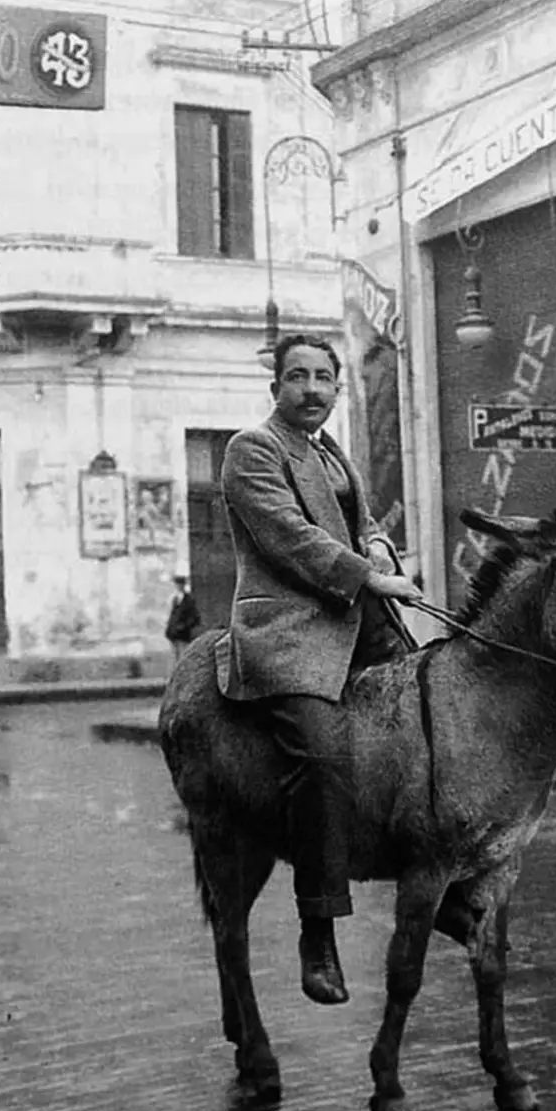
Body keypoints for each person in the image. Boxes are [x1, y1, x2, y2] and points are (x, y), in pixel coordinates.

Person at [215, 333, 422, 1006]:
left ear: (337, 387)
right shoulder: (253, 450)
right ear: (275, 386)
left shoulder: (333, 452)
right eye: (297, 377)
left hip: (357, 621)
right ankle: (319, 926)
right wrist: (366, 575)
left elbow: (359, 527)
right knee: (323, 757)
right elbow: (287, 535)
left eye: (325, 378)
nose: (312, 390)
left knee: (435, 717)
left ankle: (437, 875)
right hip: (291, 630)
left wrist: (384, 554)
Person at [165, 575, 202, 655]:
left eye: (180, 584)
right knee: (176, 656)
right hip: (174, 635)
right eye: (177, 584)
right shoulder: (175, 599)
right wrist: (170, 629)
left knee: (183, 655)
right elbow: (173, 617)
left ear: (184, 585)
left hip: (184, 635)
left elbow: (195, 617)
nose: (178, 586)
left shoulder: (189, 599)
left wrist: (183, 626)